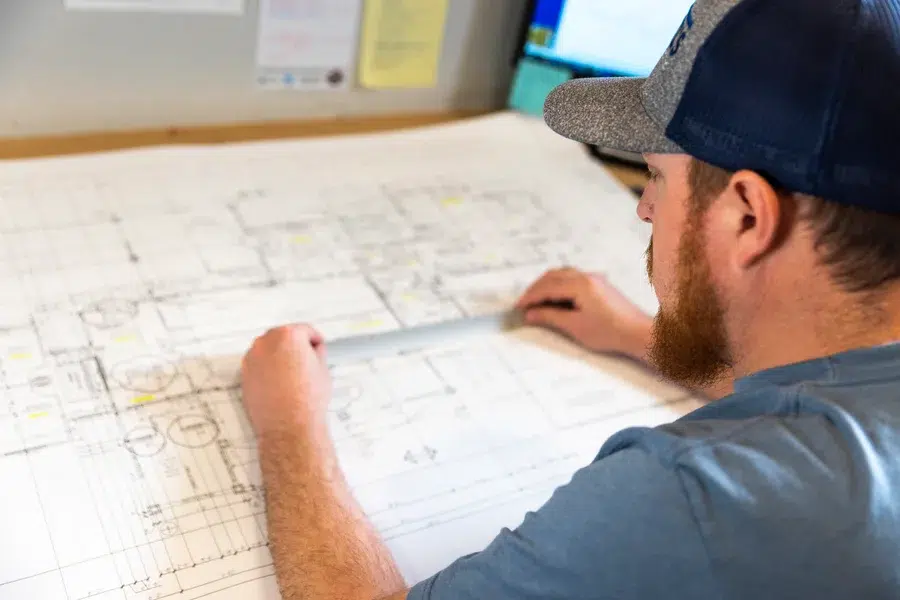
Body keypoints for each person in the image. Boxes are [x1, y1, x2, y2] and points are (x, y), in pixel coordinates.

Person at [239, 0, 900, 597]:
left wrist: (288, 426)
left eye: (657, 176)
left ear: (747, 217)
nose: (644, 208)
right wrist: (638, 335)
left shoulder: (696, 493)